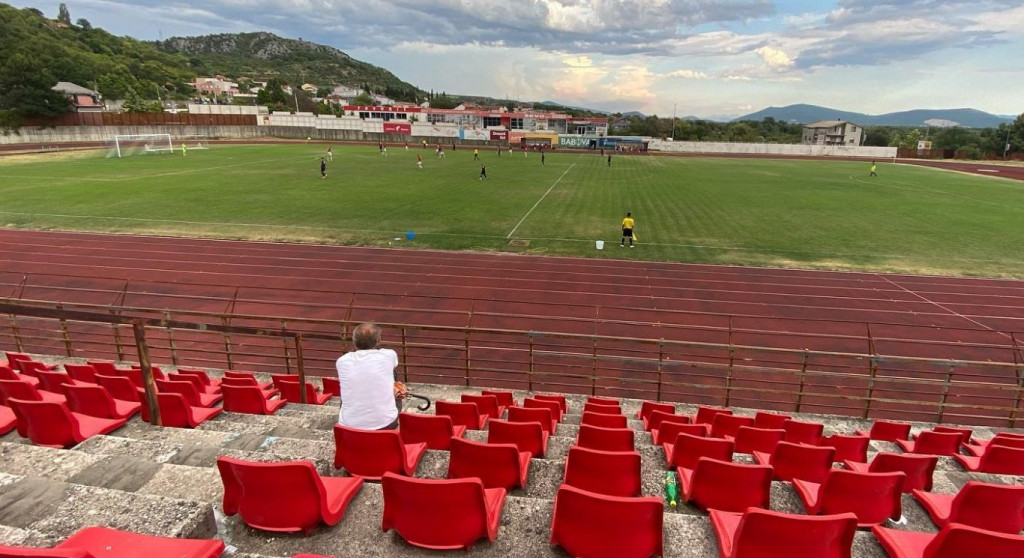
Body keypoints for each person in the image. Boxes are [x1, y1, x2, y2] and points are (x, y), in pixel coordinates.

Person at [336, 323, 407, 430]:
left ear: (354, 341)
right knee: (392, 375)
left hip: (348, 426)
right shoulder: (389, 355)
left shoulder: (342, 361)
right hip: (386, 423)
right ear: (378, 340)